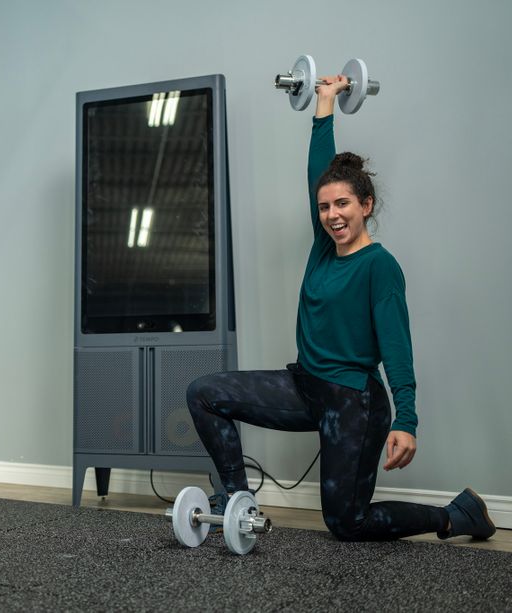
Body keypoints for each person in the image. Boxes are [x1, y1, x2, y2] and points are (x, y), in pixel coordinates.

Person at [185, 77, 495, 542]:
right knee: (203, 392)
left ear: (366, 205)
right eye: (325, 206)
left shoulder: (380, 267)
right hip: (305, 385)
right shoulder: (323, 248)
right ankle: (234, 499)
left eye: (344, 203)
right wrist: (324, 102)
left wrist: (406, 420)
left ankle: (456, 516)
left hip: (355, 401)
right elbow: (319, 169)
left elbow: (397, 348)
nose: (333, 214)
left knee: (346, 522)